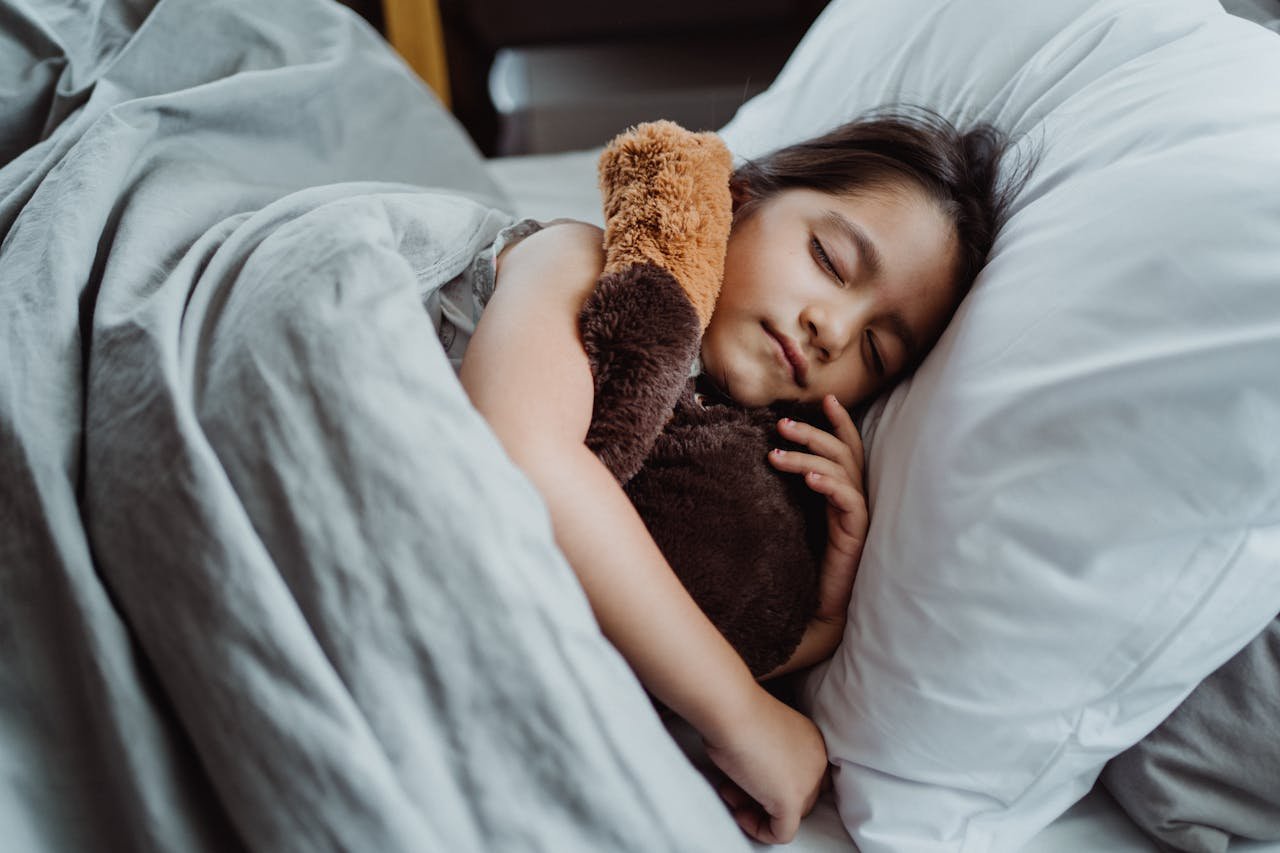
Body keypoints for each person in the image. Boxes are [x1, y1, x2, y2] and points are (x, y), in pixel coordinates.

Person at [458, 108, 1021, 845]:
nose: (835, 330)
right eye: (831, 261)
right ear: (742, 198)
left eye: (877, 352)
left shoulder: (703, 453)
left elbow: (627, 613)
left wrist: (817, 625)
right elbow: (523, 459)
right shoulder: (591, 262)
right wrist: (742, 714)